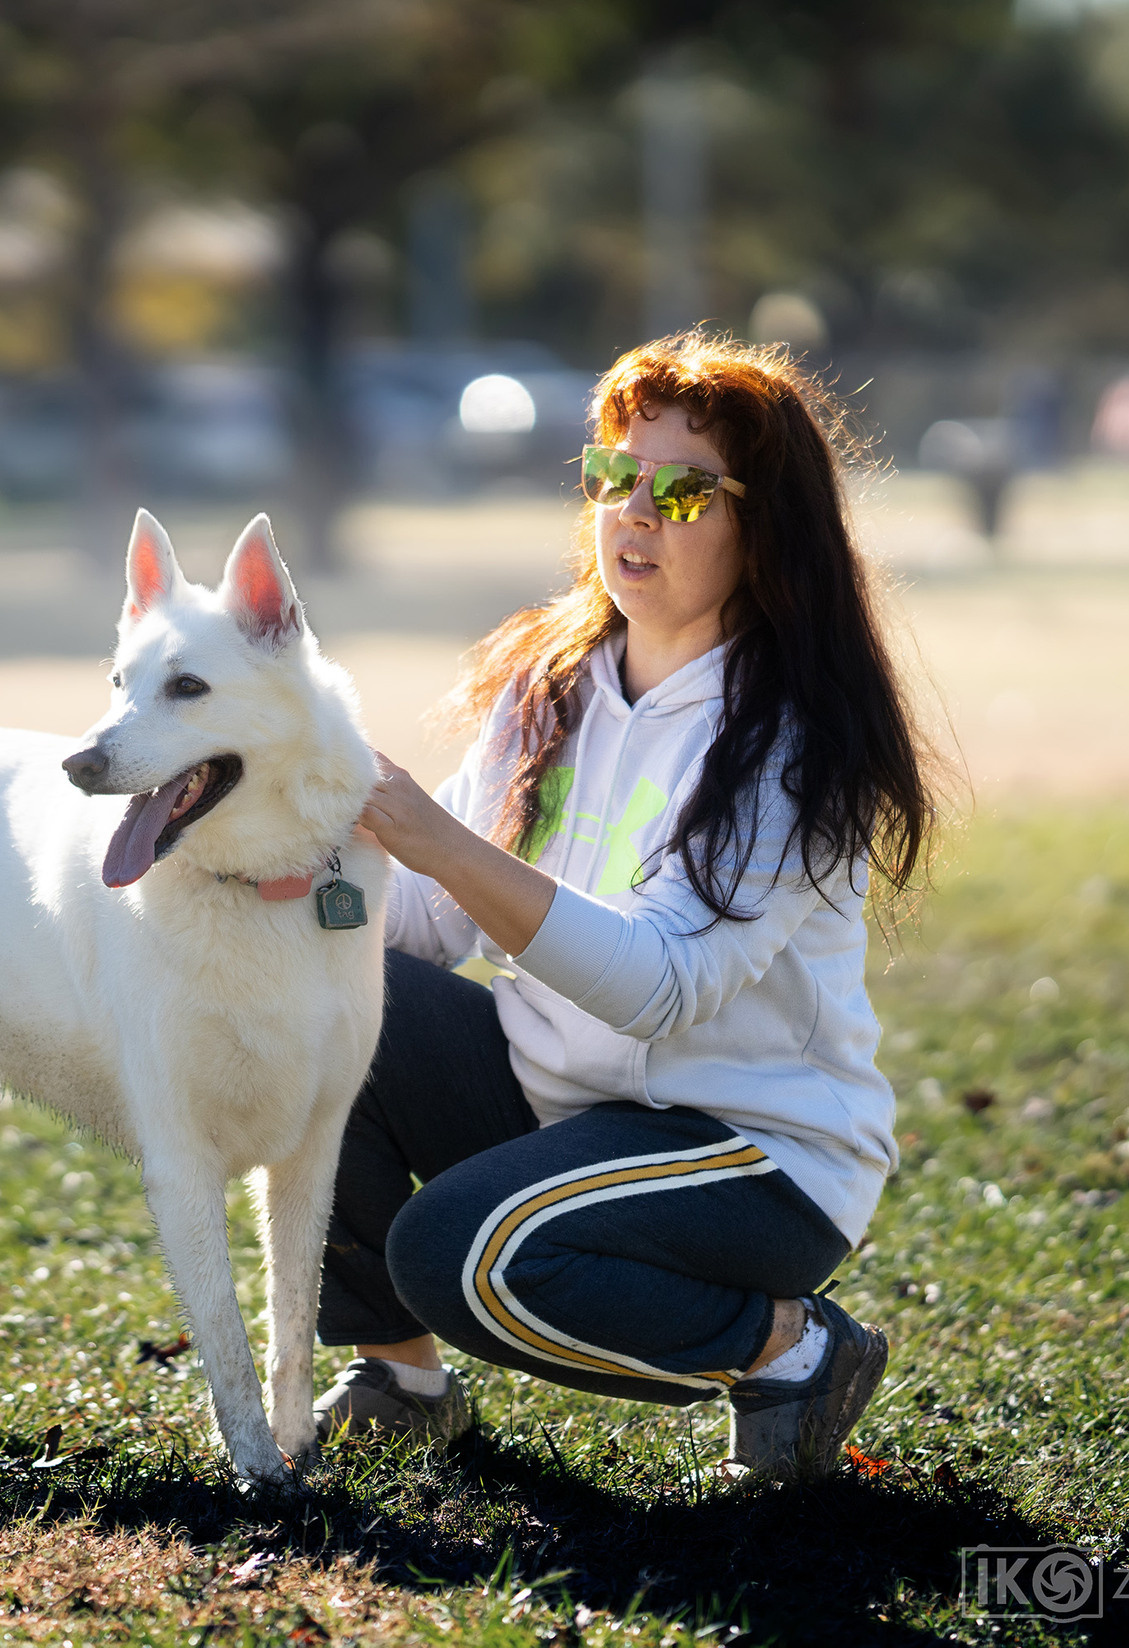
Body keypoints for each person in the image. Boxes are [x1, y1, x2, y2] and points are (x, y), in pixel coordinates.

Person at [313, 331, 939, 1481]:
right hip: (560, 1105)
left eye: (685, 488)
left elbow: (662, 989)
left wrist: (438, 840)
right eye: (612, 476)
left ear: (768, 529)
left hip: (749, 1156)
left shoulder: (788, 739)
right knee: (309, 1003)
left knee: (455, 1250)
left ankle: (791, 1349)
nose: (632, 514)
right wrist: (289, 871)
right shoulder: (552, 683)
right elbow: (425, 929)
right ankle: (398, 1379)